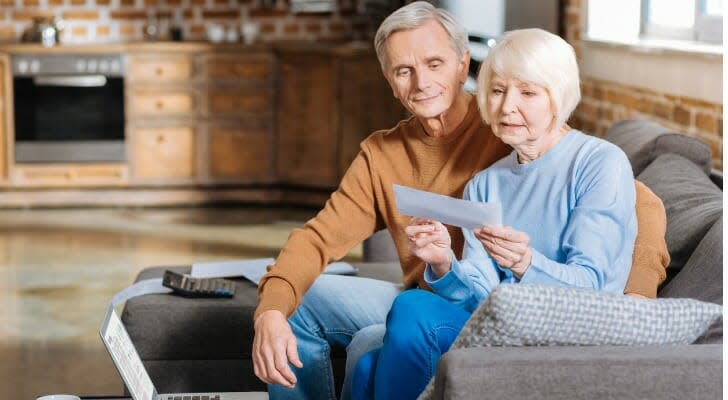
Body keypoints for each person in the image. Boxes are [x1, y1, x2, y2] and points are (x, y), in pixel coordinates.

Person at [252, 3, 670, 400]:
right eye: (404, 70)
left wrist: (635, 302)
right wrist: (269, 310)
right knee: (292, 303)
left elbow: (642, 204)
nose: (421, 82)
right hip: (449, 295)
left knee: (373, 344)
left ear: (460, 65)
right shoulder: (397, 158)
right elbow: (318, 238)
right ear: (389, 79)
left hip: (493, 309)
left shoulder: (510, 128)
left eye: (434, 64)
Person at [351, 27, 644, 400]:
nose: (507, 107)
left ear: (559, 95)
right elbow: (480, 295)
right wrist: (443, 265)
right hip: (504, 327)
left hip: (569, 334)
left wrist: (525, 263)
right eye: (497, 90)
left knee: (412, 306)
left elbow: (591, 289)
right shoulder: (486, 184)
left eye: (527, 92)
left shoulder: (598, 163)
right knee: (365, 367)